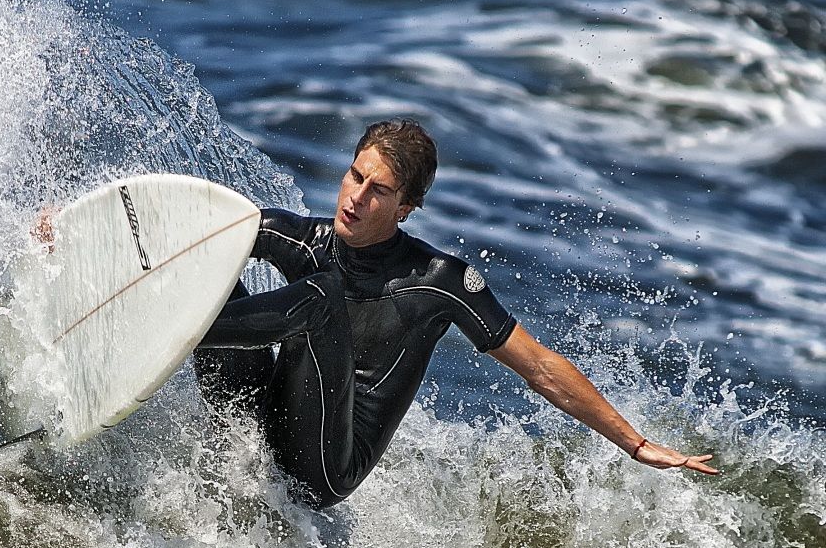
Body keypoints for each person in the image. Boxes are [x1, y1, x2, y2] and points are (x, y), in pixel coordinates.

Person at [194, 119, 717, 508]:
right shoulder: (309, 239)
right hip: (261, 422)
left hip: (322, 470)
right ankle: (146, 322)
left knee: (320, 300)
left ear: (406, 208)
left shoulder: (438, 281)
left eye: (378, 191)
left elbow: (537, 366)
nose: (356, 198)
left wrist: (637, 443)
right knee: (211, 271)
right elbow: (206, 235)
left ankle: (185, 329)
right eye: (355, 177)